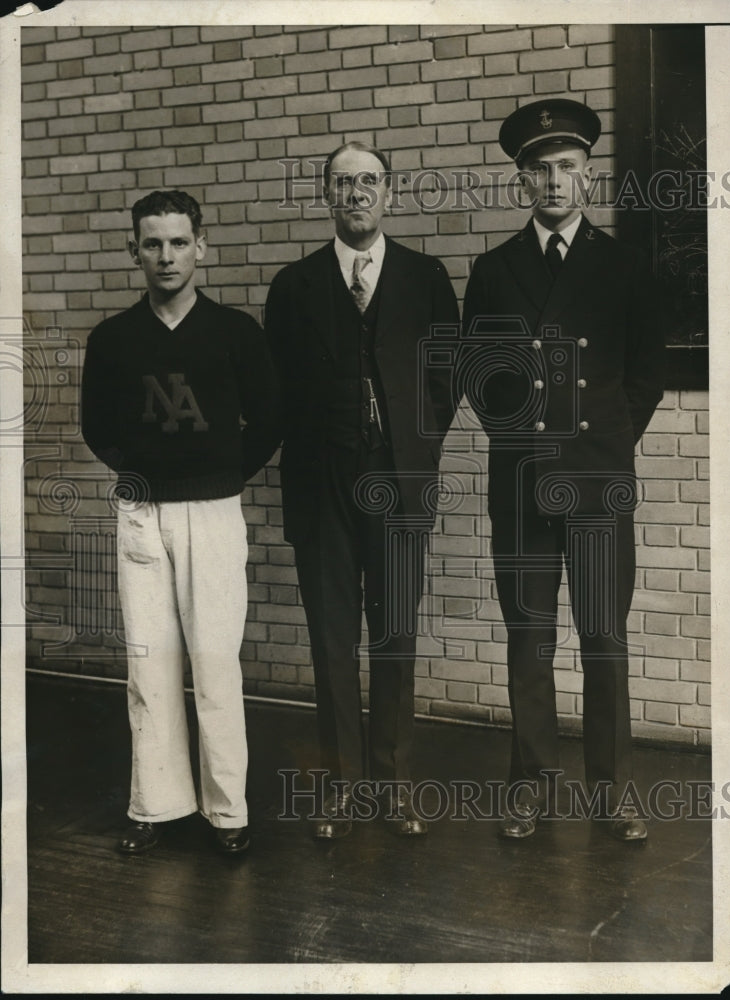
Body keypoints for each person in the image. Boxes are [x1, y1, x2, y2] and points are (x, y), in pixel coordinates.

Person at [459, 100, 666, 842]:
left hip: (599, 485)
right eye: (540, 169)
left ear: (587, 176)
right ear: (522, 180)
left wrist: (602, 446)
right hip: (521, 487)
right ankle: (533, 787)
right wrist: (528, 445)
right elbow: (479, 379)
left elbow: (645, 377)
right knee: (530, 639)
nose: (555, 180)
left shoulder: (622, 267)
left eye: (568, 167)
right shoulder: (493, 270)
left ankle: (611, 791)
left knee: (604, 638)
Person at [265, 142, 459, 839]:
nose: (357, 195)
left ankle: (395, 783)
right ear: (327, 195)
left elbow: (448, 375)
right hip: (322, 485)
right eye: (343, 184)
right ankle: (343, 787)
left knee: (396, 634)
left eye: (369, 183)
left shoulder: (426, 277)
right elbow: (276, 389)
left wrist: (417, 446)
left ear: (390, 194)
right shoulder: (294, 286)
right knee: (331, 638)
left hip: (398, 481)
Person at [81, 189, 281, 855]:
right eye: (152, 243)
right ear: (133, 250)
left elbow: (270, 421)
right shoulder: (111, 339)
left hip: (213, 511)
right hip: (141, 513)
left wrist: (224, 477)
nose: (165, 256)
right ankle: (157, 804)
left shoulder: (236, 333)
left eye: (177, 242)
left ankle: (228, 812)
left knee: (215, 662)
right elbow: (96, 427)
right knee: (149, 661)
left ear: (202, 247)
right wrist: (140, 478)